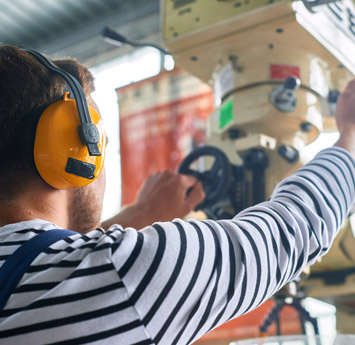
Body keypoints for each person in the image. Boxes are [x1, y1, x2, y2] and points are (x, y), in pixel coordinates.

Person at [0, 44, 354, 345]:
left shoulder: (56, 278)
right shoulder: (119, 276)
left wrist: (139, 215)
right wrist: (349, 139)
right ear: (77, 149)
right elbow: (291, 232)